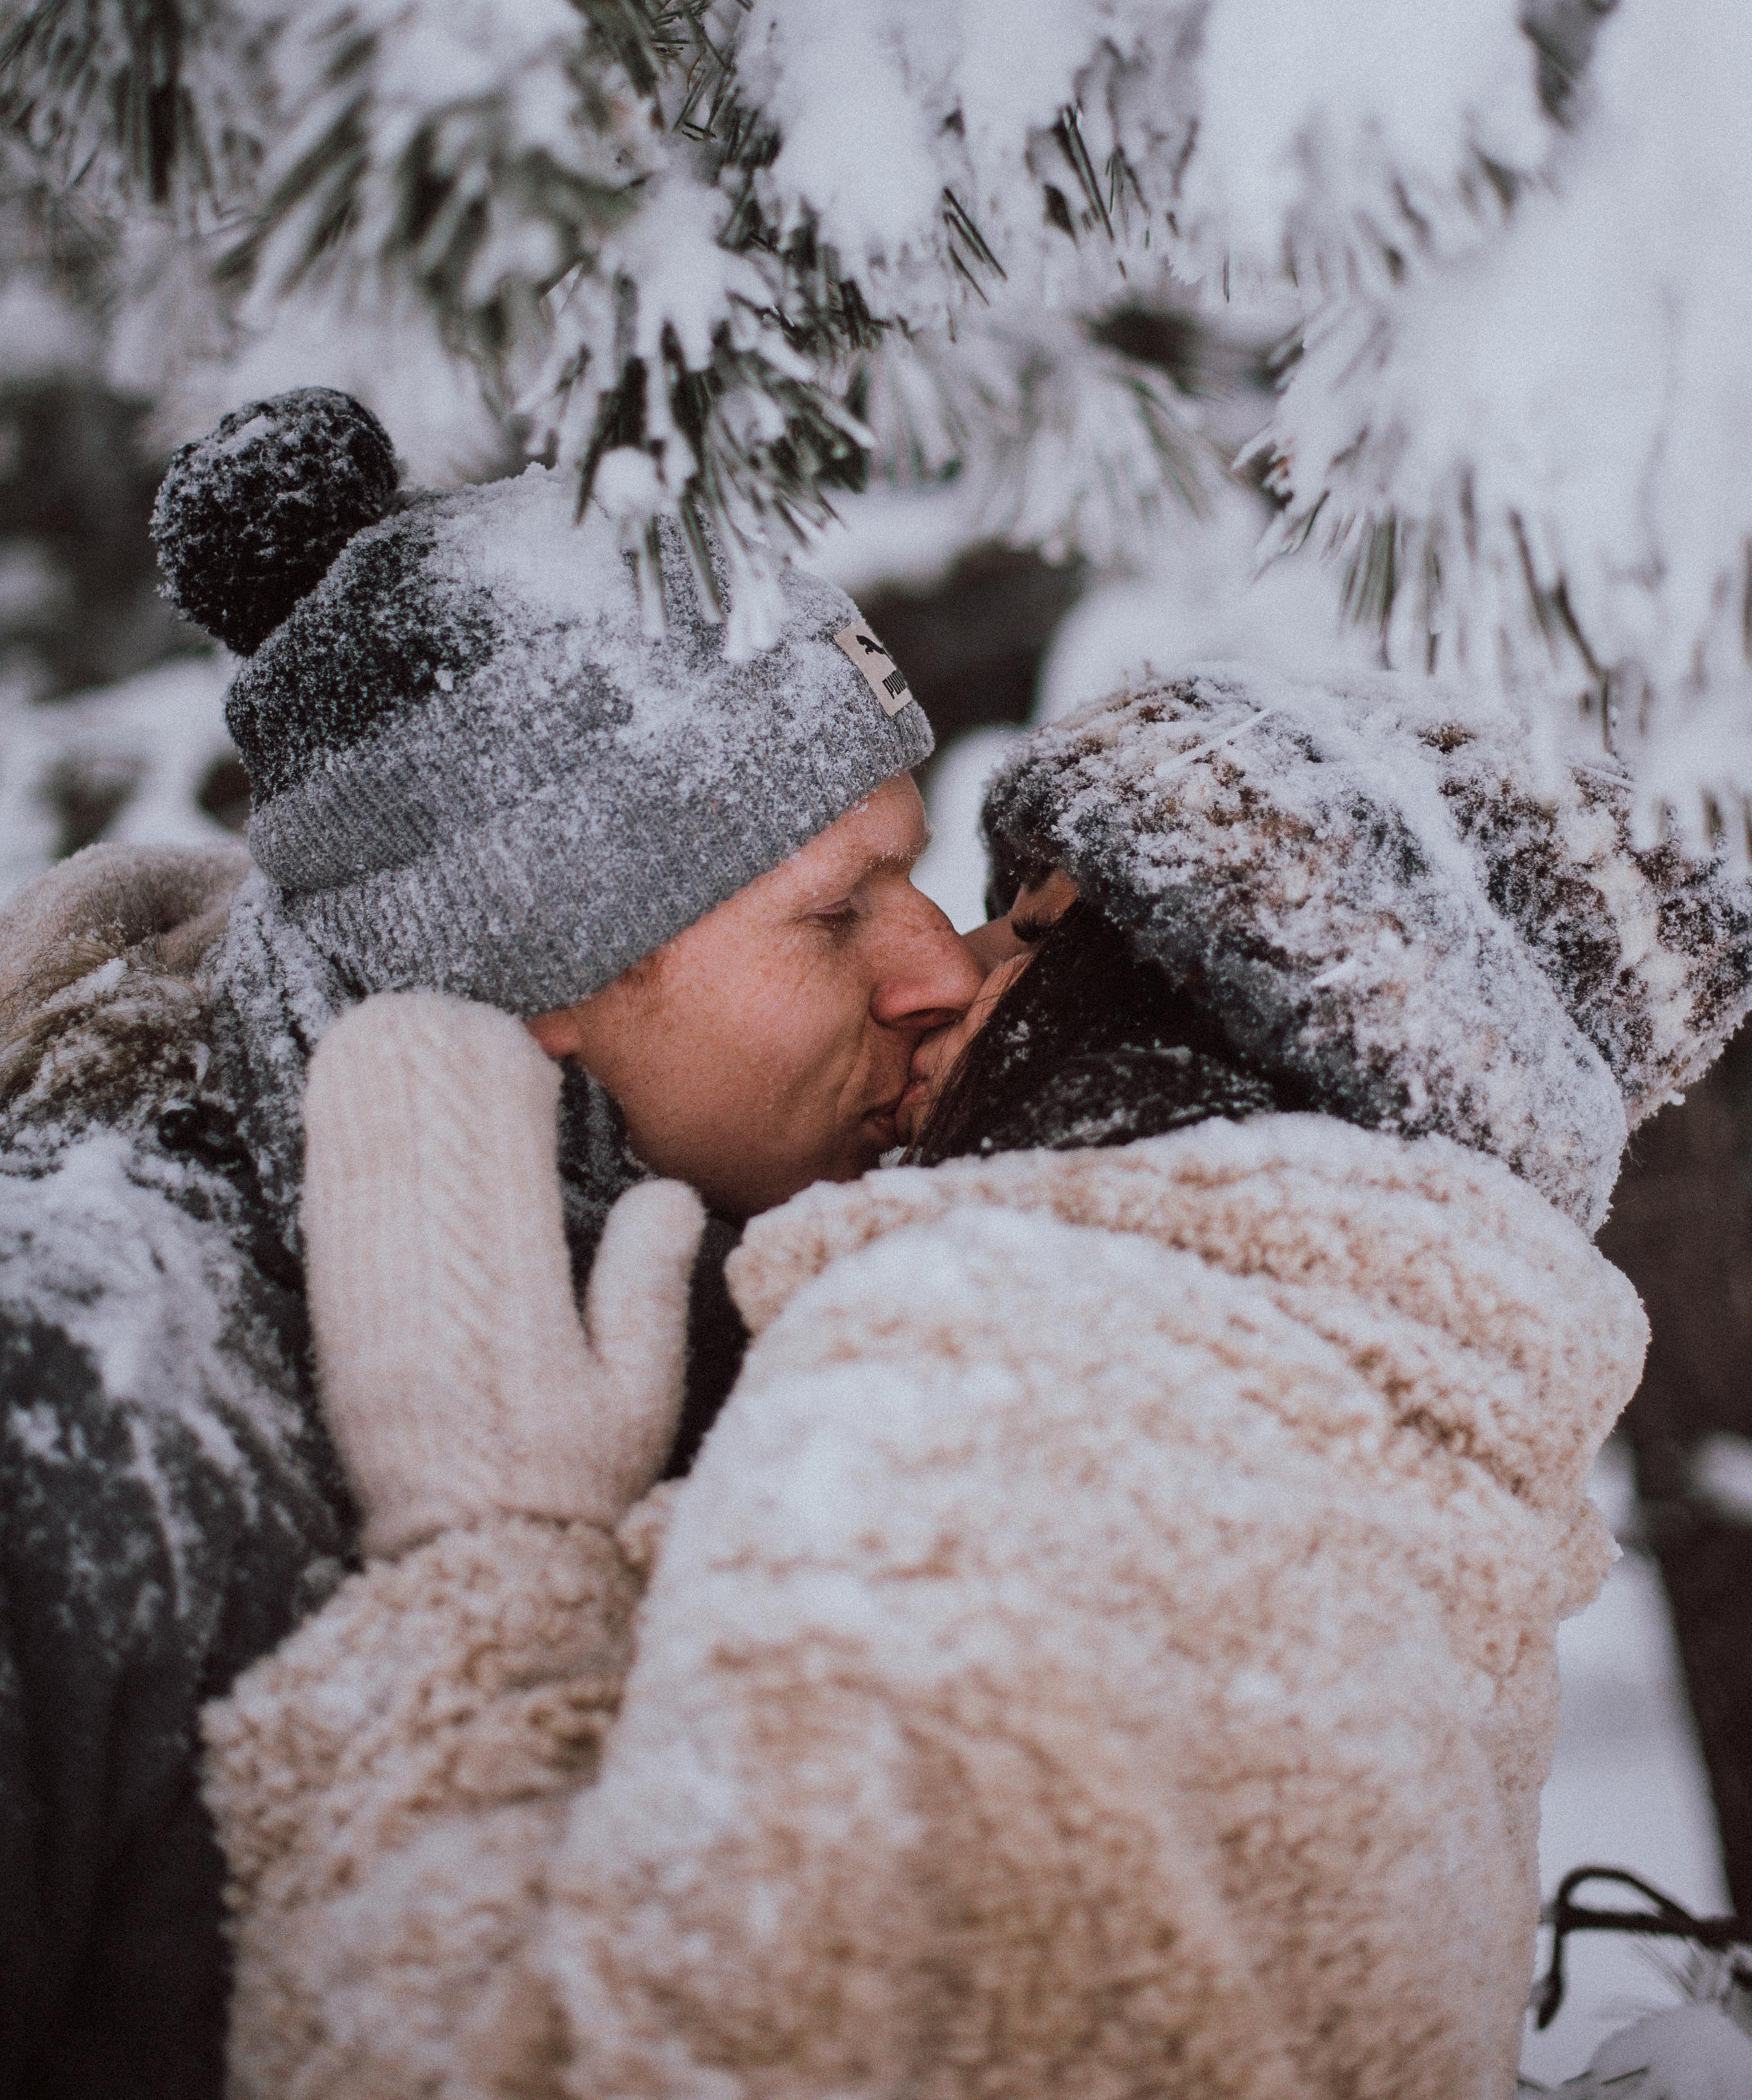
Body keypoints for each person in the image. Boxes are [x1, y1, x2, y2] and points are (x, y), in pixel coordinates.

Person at [205, 666, 1752, 2100]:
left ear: (1228, 997)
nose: (948, 967)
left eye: (1034, 929)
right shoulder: (1346, 1384)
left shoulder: (1040, 1366)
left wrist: (486, 1565)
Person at [0, 387, 976, 2100]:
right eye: (832, 910)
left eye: (915, 867)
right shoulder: (83, 1399)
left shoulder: (802, 1284)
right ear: (530, 987)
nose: (940, 968)